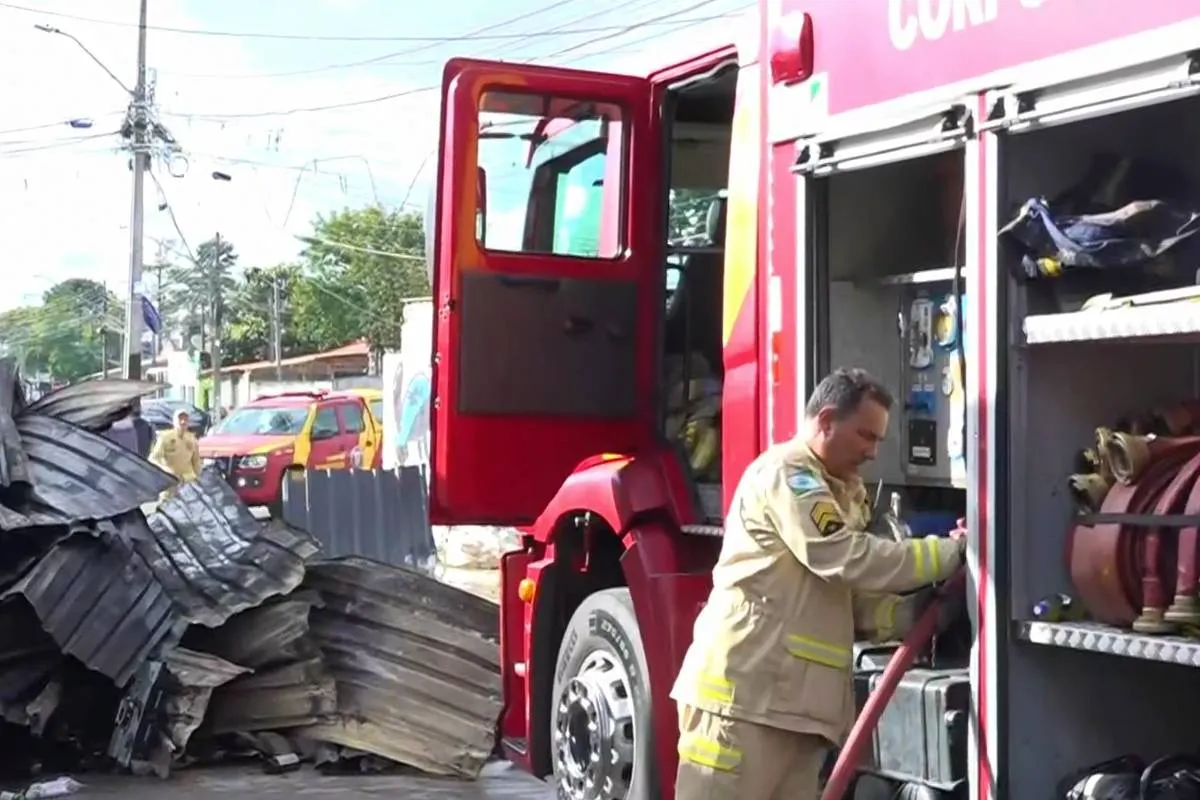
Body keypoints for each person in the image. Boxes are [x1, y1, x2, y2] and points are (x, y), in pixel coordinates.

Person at [670, 367, 967, 800]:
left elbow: (848, 602)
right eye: (866, 435)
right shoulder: (789, 476)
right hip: (742, 710)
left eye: (878, 440)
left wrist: (909, 614)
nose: (872, 452)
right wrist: (950, 552)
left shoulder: (839, 492)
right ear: (826, 420)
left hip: (794, 715)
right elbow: (842, 557)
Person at [149, 408, 202, 485]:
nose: (183, 422)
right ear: (174, 421)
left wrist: (198, 479)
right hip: (170, 481)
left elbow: (196, 462)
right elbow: (153, 459)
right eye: (180, 419)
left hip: (188, 483)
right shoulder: (165, 437)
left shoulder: (192, 439)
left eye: (185, 419)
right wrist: (165, 470)